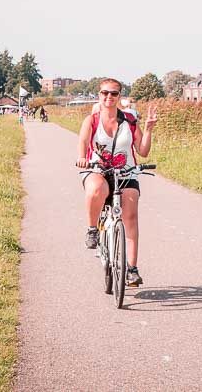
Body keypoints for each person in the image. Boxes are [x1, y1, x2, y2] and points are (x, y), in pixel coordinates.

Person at [76, 78, 158, 287]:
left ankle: (131, 269)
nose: (109, 97)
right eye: (105, 93)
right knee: (97, 189)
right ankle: (92, 229)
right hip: (98, 170)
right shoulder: (91, 120)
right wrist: (82, 158)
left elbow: (143, 151)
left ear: (119, 96)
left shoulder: (130, 120)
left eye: (113, 93)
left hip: (126, 172)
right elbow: (83, 143)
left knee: (130, 216)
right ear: (99, 95)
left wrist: (148, 129)